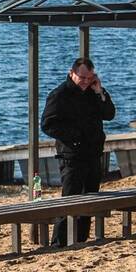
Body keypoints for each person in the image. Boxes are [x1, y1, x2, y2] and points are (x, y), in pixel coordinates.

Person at [41, 56, 116, 245]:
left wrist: (99, 91)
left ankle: (81, 240)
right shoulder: (59, 95)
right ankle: (58, 243)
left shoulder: (94, 92)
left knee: (88, 201)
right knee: (69, 200)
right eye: (82, 78)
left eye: (89, 78)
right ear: (71, 73)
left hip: (93, 154)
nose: (85, 82)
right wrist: (75, 137)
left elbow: (109, 114)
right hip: (72, 156)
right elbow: (47, 125)